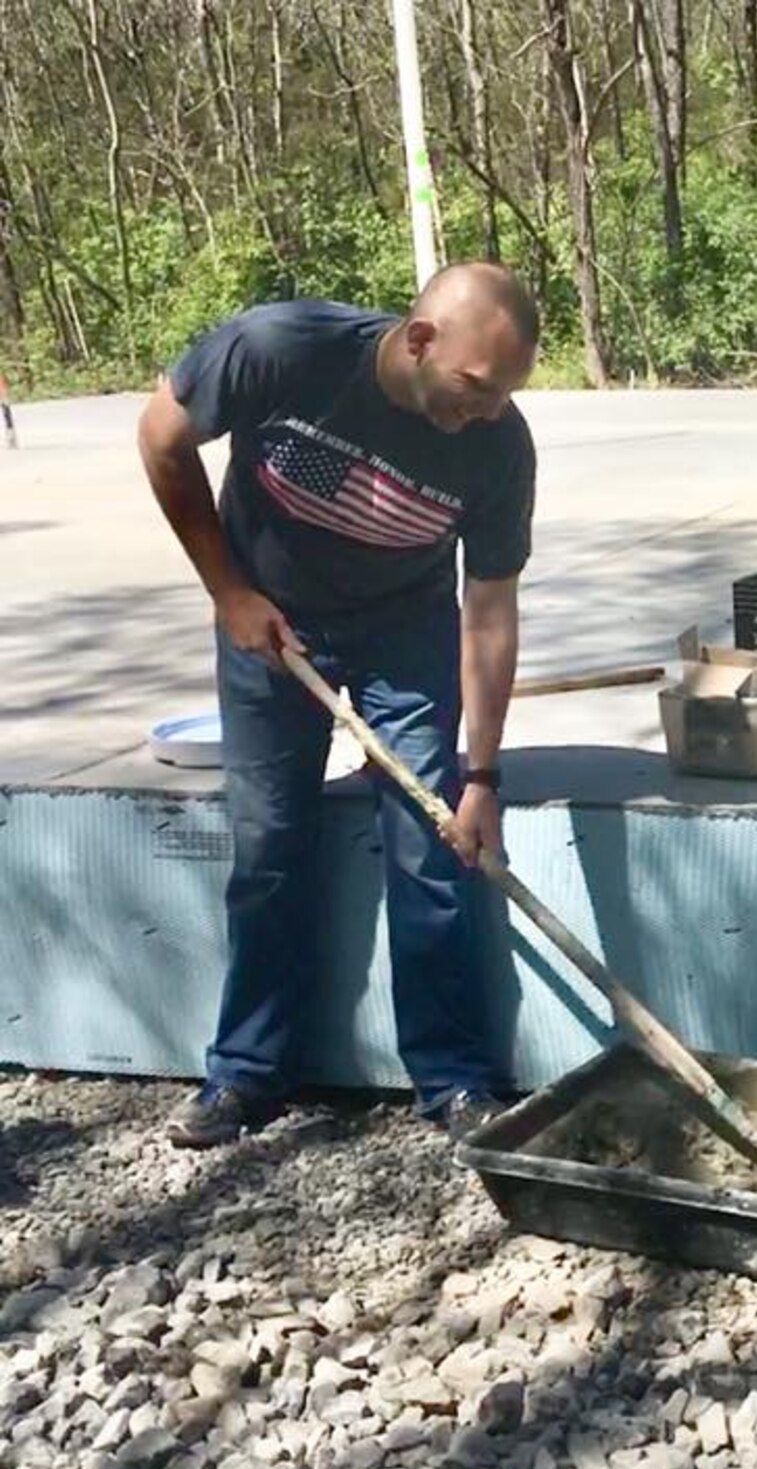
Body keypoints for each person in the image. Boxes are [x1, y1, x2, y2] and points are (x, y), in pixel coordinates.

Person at [137, 263, 541, 1148]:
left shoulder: (500, 446)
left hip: (406, 633)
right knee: (271, 841)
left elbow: (490, 607)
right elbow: (161, 437)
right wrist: (228, 592)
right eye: (475, 388)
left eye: (506, 394)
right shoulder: (284, 350)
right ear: (419, 337)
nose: (487, 410)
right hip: (271, 621)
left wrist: (482, 774)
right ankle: (245, 1072)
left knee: (432, 844)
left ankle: (454, 1078)